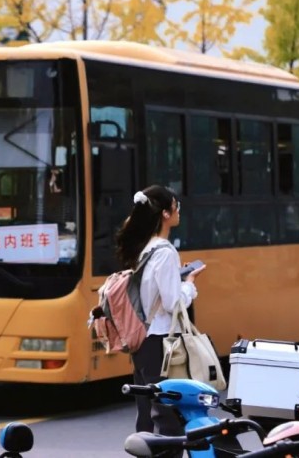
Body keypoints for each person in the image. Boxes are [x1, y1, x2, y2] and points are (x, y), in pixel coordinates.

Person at [115, 185, 206, 436]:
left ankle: (146, 450)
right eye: (176, 206)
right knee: (168, 415)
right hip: (160, 342)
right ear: (166, 213)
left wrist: (177, 279)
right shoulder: (165, 252)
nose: (178, 211)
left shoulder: (143, 247)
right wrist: (190, 285)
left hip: (142, 340)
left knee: (146, 413)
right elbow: (172, 304)